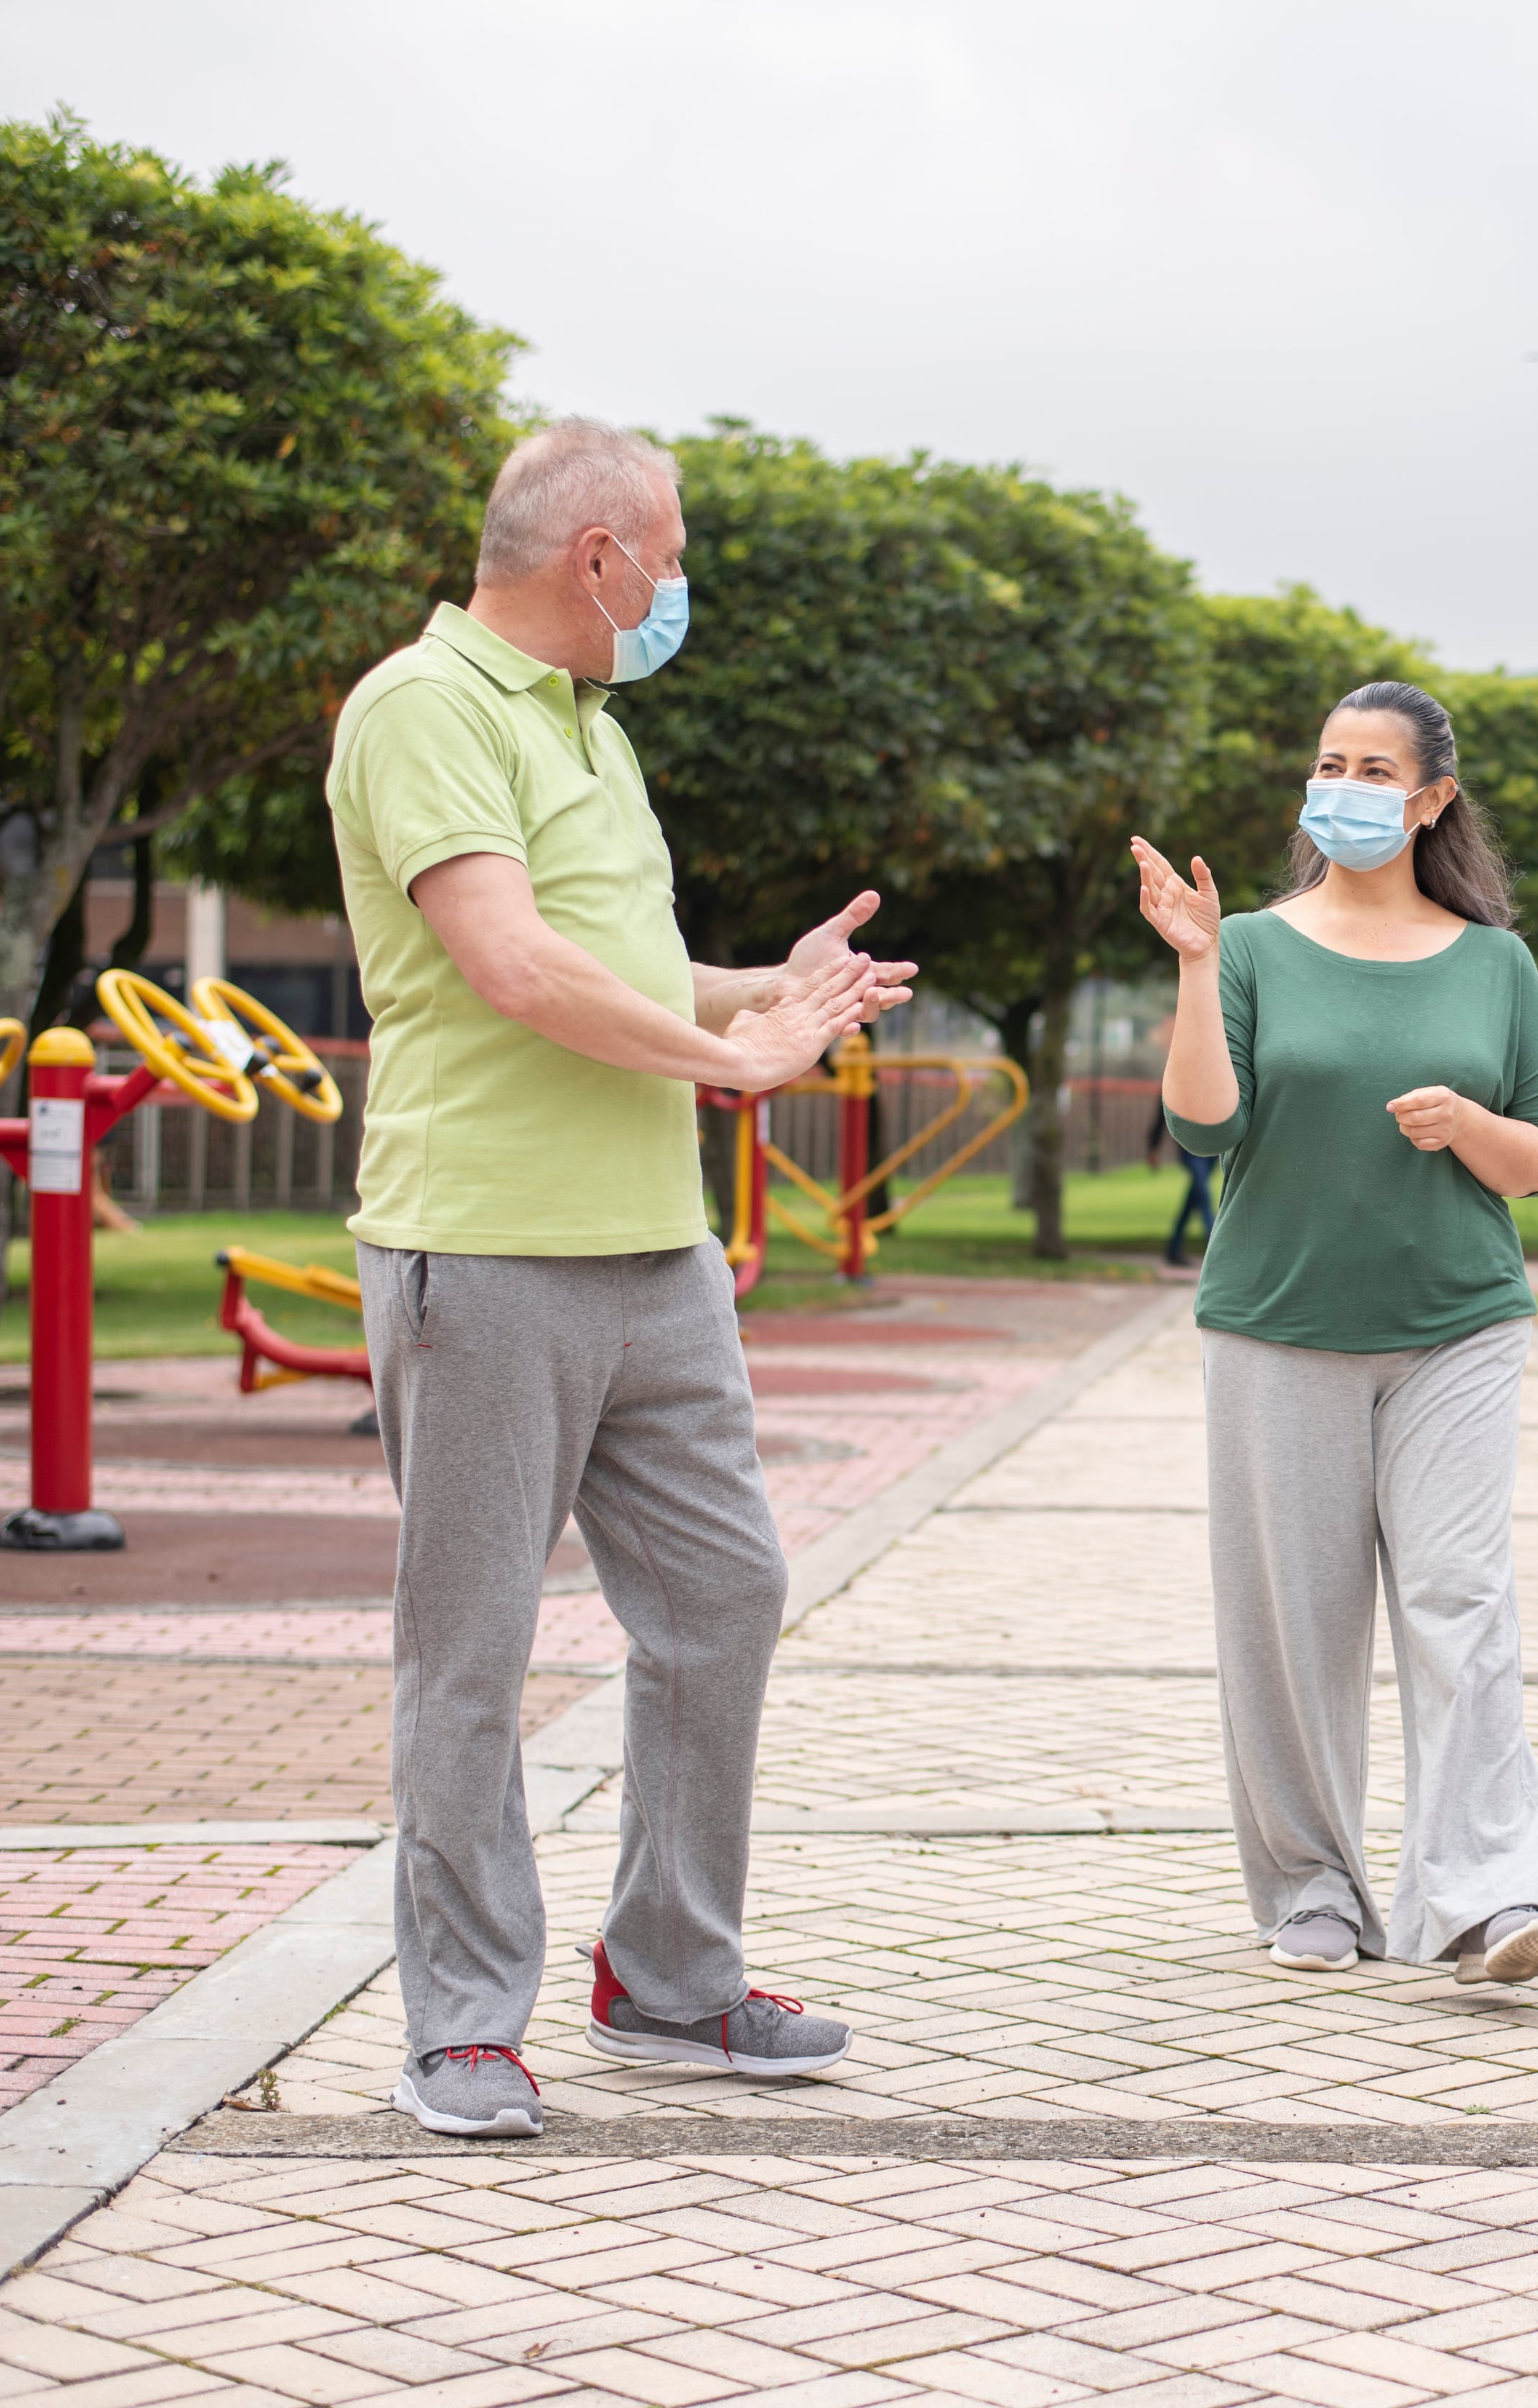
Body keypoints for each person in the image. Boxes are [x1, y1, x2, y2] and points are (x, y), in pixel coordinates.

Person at [326, 419, 916, 2138]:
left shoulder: (598, 730)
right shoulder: (423, 708)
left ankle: (666, 1976)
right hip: (487, 1245)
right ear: (598, 556)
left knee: (724, 1593)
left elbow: (622, 963)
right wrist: (739, 1066)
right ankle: (460, 2019)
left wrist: (757, 991)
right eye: (669, 551)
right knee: (473, 1646)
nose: (679, 583)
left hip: (657, 1254)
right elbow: (508, 964)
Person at [1127, 680, 1538, 1986]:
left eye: (1377, 769)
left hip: (1458, 1326)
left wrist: (1472, 1130)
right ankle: (1312, 1887)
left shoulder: (1498, 963)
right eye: (1331, 762)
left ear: (1433, 797)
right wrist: (1200, 962)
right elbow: (1207, 1125)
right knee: (1294, 1622)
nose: (1347, 787)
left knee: (1461, 1603)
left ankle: (1489, 1897)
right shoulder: (1258, 945)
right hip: (1279, 1322)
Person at [1148, 1101, 1216, 1266]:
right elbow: (1161, 1114)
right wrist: (1153, 1148)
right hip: (1190, 1149)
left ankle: (1173, 1248)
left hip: (1213, 1149)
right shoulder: (1181, 1076)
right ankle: (1214, 1241)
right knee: (1203, 1194)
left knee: (1194, 1198)